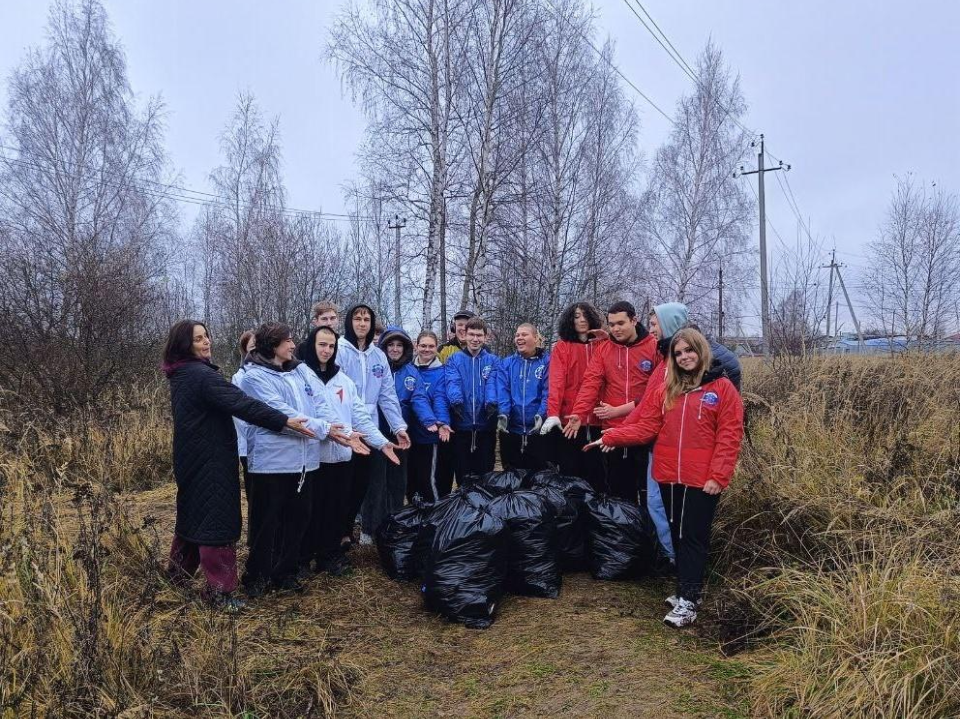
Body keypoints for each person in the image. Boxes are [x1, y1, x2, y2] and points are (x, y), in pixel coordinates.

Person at [586, 329, 744, 628]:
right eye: (678, 353)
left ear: (701, 352)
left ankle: (689, 599)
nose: (684, 357)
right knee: (675, 534)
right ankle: (687, 591)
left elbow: (730, 436)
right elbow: (646, 427)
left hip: (702, 480)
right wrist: (613, 436)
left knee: (692, 538)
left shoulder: (722, 390)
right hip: (669, 475)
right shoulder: (667, 390)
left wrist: (718, 476)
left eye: (689, 351)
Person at [162, 320, 315, 611]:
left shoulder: (182, 373)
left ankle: (176, 578)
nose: (206, 341)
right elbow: (242, 403)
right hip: (211, 460)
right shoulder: (200, 376)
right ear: (185, 345)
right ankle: (220, 592)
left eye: (207, 335)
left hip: (192, 457)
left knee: (192, 516)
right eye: (198, 339)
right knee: (217, 521)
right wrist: (282, 421)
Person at [239, 322, 353, 596]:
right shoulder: (254, 378)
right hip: (272, 464)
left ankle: (285, 573)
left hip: (305, 463)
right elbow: (284, 415)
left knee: (298, 520)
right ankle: (256, 577)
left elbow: (321, 404)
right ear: (272, 345)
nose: (293, 345)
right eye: (287, 341)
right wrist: (326, 430)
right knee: (268, 523)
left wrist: (342, 430)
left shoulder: (300, 371)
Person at [297, 325, 399, 576]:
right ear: (312, 345)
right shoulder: (300, 376)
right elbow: (307, 415)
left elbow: (360, 416)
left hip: (342, 457)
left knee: (336, 508)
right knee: (309, 510)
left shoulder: (343, 380)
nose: (326, 350)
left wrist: (381, 442)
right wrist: (336, 432)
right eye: (322, 344)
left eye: (331, 346)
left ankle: (329, 556)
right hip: (311, 457)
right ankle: (301, 558)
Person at [564, 301, 660, 503]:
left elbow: (657, 391)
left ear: (634, 320)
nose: (615, 329)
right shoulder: (604, 349)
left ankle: (647, 532)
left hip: (646, 430)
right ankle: (621, 532)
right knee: (618, 492)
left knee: (647, 493)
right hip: (613, 432)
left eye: (620, 323)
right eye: (611, 324)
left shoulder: (653, 347)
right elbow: (591, 382)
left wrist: (620, 410)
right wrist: (579, 413)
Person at [337, 304, 411, 547]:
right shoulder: (340, 350)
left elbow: (387, 395)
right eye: (357, 319)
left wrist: (399, 427)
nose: (362, 323)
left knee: (371, 481)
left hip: (372, 426)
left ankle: (370, 530)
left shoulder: (378, 355)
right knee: (344, 482)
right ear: (349, 322)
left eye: (366, 319)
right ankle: (342, 532)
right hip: (345, 424)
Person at [371, 326, 436, 535]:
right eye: (391, 344)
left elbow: (419, 398)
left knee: (398, 481)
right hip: (375, 432)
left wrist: (429, 420)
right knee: (376, 481)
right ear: (384, 347)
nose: (395, 349)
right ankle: (370, 526)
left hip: (400, 434)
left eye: (399, 345)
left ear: (406, 348)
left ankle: (395, 521)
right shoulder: (376, 368)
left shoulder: (411, 372)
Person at [540, 302, 606, 491]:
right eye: (577, 316)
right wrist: (553, 413)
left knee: (597, 472)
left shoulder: (602, 345)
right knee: (570, 470)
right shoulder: (563, 347)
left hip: (597, 418)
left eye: (585, 315)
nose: (582, 320)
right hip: (569, 420)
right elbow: (556, 382)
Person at [445, 316, 499, 483]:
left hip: (486, 426)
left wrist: (491, 403)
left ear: (485, 337)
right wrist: (456, 401)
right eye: (472, 334)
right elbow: (453, 381)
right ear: (465, 335)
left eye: (479, 335)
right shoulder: (454, 359)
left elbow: (493, 383)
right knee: (463, 475)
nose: (475, 339)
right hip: (461, 425)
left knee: (485, 476)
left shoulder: (493, 360)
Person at [495, 323, 550, 471]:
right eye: (517, 335)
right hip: (511, 432)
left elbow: (548, 392)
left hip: (539, 432)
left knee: (539, 478)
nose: (519, 338)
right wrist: (504, 414)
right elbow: (503, 391)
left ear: (535, 337)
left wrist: (542, 414)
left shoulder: (547, 362)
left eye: (524, 334)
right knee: (512, 479)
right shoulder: (506, 364)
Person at [408, 331, 453, 501]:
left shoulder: (442, 372)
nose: (427, 349)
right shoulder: (409, 368)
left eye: (431, 346)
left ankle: (434, 517)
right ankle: (414, 517)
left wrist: (441, 422)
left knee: (428, 479)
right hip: (408, 432)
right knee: (410, 479)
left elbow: (441, 399)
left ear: (437, 348)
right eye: (423, 346)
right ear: (416, 346)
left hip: (429, 434)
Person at [232, 330, 257, 493]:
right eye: (253, 347)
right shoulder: (240, 378)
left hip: (273, 449)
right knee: (255, 491)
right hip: (250, 446)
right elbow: (240, 415)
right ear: (245, 350)